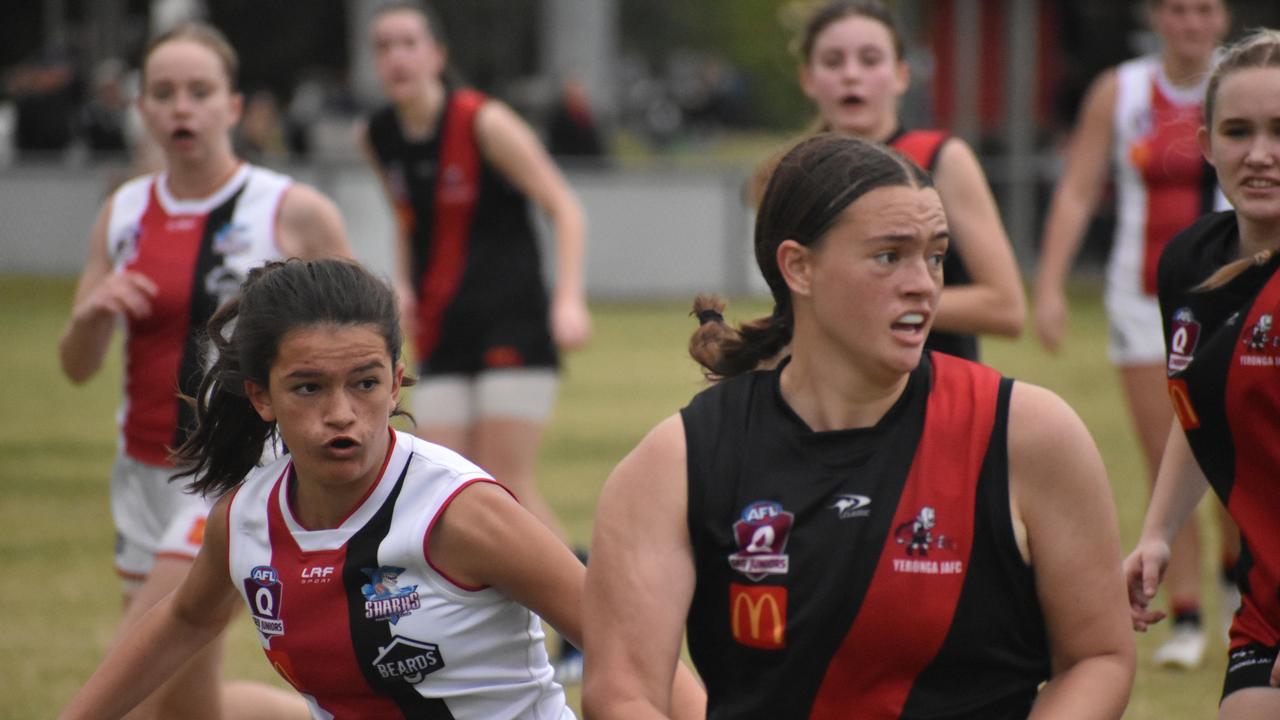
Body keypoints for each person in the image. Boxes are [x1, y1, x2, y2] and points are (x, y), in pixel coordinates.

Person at [582, 133, 1134, 719]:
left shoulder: (1027, 434)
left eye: (936, 255)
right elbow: (623, 694)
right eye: (889, 255)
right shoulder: (680, 460)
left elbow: (1098, 657)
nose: (924, 282)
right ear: (798, 267)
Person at [59, 258, 705, 720]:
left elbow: (628, 648)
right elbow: (182, 619)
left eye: (365, 384)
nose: (341, 413)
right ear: (261, 397)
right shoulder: (246, 520)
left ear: (396, 385)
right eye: (308, 388)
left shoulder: (460, 514)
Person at [57, 22, 350, 720]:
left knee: (128, 677)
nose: (181, 107)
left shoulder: (292, 210)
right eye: (163, 93)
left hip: (232, 470)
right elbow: (76, 367)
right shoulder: (122, 212)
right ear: (143, 110)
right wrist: (92, 315)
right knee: (183, 708)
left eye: (199, 91)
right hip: (141, 472)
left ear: (234, 106)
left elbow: (363, 332)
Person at [358, 2, 592, 682]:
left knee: (507, 479)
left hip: (514, 320)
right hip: (443, 323)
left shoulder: (482, 120)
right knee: (452, 484)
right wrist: (400, 285)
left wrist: (568, 299)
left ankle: (584, 616)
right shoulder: (377, 133)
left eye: (408, 42)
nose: (396, 56)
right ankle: (499, 611)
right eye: (384, 46)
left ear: (436, 54)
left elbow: (564, 204)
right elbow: (407, 218)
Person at [1033, 0, 1237, 669]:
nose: (1191, 23)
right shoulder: (1119, 92)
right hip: (1140, 301)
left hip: (1236, 296)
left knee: (1239, 451)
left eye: (1203, 9)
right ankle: (1184, 615)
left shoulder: (1243, 86)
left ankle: (1243, 581)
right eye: (1177, 9)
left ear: (1223, 17)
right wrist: (1051, 284)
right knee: (1166, 455)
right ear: (1156, 17)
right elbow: (1077, 190)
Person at [1126, 29, 1280, 717]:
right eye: (1238, 131)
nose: (1260, 155)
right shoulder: (1189, 264)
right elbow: (1199, 411)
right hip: (1267, 598)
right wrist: (1157, 533)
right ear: (1207, 142)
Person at [783, 0, 1025, 361]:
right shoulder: (799, 172)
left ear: (901, 75)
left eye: (870, 59)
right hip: (833, 397)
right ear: (807, 79)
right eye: (833, 61)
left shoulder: (942, 159)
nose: (851, 74)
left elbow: (1006, 308)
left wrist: (867, 301)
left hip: (929, 387)